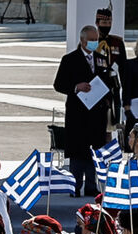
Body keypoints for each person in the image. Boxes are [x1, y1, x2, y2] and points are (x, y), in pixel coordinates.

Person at [53, 25, 109, 198]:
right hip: (78, 114)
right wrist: (76, 87)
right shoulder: (70, 59)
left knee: (94, 150)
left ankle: (92, 185)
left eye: (96, 40)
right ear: (82, 40)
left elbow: (107, 81)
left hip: (97, 113)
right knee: (78, 151)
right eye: (91, 40)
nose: (94, 43)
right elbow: (59, 84)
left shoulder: (101, 59)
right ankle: (75, 185)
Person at [94, 7, 127, 133]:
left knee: (111, 126)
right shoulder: (92, 40)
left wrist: (126, 91)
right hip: (96, 85)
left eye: (109, 23)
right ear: (97, 23)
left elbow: (123, 67)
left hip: (113, 85)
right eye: (104, 23)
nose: (107, 26)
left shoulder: (117, 42)